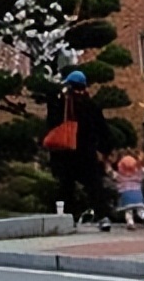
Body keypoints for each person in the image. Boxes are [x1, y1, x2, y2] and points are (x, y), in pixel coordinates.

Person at [46, 71, 114, 225]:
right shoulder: (91, 105)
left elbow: (51, 124)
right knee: (94, 185)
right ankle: (103, 216)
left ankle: (66, 217)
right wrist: (106, 150)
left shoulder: (61, 104)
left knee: (66, 185)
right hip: (87, 152)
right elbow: (102, 129)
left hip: (66, 152)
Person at [114, 151, 144, 229]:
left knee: (128, 211)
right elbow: (143, 171)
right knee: (140, 209)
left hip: (127, 195)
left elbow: (113, 175)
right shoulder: (138, 172)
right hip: (138, 194)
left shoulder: (121, 175)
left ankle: (130, 222)